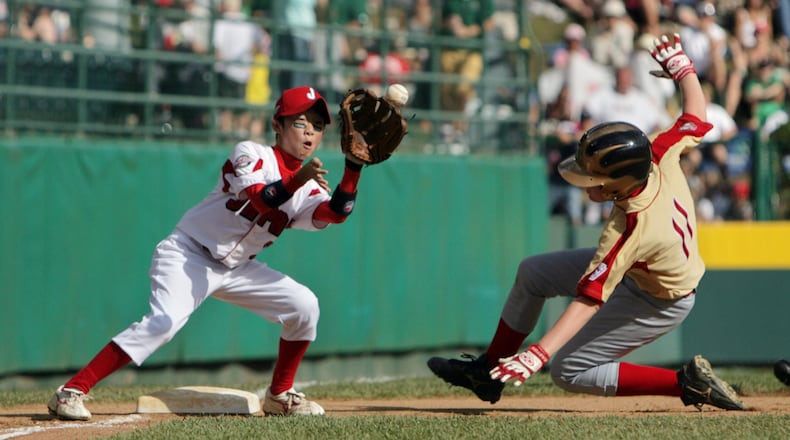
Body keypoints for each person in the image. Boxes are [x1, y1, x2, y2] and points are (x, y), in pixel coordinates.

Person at [427, 34, 746, 412]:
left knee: (567, 369)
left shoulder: (631, 225)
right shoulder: (657, 152)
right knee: (533, 273)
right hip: (641, 272)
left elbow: (590, 299)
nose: (586, 182)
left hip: (661, 299)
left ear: (618, 186)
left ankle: (687, 384)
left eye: (595, 178)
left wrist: (538, 354)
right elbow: (696, 116)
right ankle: (488, 373)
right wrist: (683, 68)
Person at [48, 86, 367, 420]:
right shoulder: (251, 153)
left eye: (317, 126)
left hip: (238, 268)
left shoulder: (310, 185)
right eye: (301, 122)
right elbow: (261, 199)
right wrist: (298, 179)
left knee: (305, 306)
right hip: (188, 254)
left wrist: (353, 167)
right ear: (278, 124)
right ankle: (71, 392)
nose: (311, 132)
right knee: (164, 323)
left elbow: (336, 212)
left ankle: (279, 395)